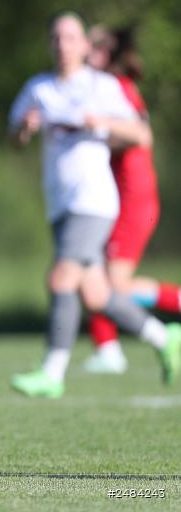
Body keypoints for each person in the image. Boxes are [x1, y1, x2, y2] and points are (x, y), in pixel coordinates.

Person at [7, 10, 181, 398]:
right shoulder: (39, 88)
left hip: (95, 201)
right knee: (97, 295)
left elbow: (140, 132)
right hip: (60, 204)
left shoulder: (102, 86)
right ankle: (164, 336)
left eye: (70, 37)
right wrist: (25, 128)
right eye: (56, 37)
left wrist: (97, 120)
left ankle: (53, 372)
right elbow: (13, 137)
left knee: (60, 278)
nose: (62, 44)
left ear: (85, 46)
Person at [82, 25, 181, 374]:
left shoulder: (118, 88)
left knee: (111, 284)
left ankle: (114, 350)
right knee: (88, 271)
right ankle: (108, 351)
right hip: (113, 198)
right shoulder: (93, 88)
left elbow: (141, 135)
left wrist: (97, 130)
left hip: (132, 198)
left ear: (106, 54)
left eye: (90, 44)